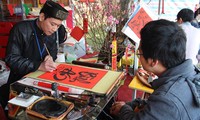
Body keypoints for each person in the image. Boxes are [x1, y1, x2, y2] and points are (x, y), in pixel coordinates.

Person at [109, 19, 200, 119]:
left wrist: (123, 109)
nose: (139, 57)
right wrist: (135, 104)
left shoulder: (168, 99)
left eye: (139, 53)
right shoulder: (191, 73)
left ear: (153, 61)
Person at [0, 0, 68, 112]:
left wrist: (49, 57)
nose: (55, 29)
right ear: (42, 17)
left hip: (42, 81)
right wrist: (38, 65)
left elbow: (53, 52)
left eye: (58, 25)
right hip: (20, 82)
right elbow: (11, 58)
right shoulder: (20, 29)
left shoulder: (53, 32)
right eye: (52, 24)